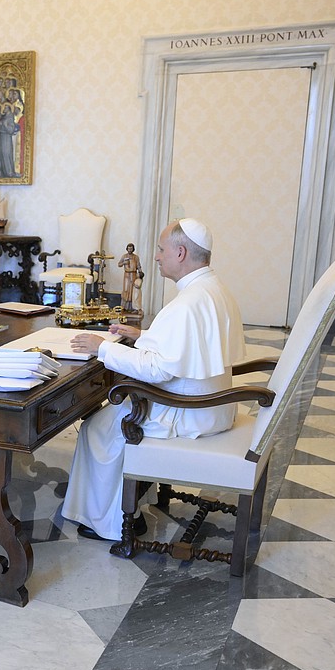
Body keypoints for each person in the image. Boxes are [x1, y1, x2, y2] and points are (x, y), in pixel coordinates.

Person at [62, 218, 246, 542]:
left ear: (180, 252)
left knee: (97, 427)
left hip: (187, 411)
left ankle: (110, 523)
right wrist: (144, 335)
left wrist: (101, 347)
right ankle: (131, 502)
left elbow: (158, 370)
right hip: (215, 406)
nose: (157, 257)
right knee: (108, 419)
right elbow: (187, 346)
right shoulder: (214, 288)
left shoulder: (187, 303)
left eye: (161, 250)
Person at [119, 243, 145, 312]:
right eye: (128, 248)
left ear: (133, 249)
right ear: (127, 249)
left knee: (133, 291)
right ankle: (124, 306)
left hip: (133, 274)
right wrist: (124, 263)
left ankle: (133, 307)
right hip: (127, 275)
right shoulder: (124, 256)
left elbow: (138, 266)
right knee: (126, 290)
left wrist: (140, 273)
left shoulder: (136, 257)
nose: (130, 250)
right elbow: (119, 264)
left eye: (131, 248)